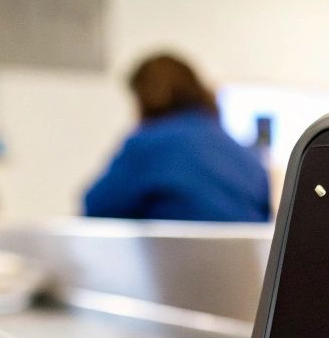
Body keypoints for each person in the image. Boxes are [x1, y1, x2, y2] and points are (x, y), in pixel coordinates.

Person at [83, 53, 272, 222]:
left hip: (173, 260)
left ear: (145, 98)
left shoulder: (146, 145)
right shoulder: (245, 154)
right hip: (245, 260)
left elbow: (97, 208)